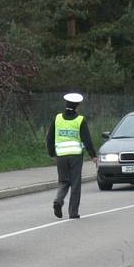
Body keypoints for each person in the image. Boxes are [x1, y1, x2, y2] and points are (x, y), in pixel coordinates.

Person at [45, 92, 98, 220]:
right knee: (75, 184)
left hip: (61, 156)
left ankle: (58, 200)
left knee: (63, 181)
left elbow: (49, 137)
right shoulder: (80, 120)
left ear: (66, 104)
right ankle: (73, 212)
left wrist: (52, 153)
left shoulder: (57, 118)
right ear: (77, 106)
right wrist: (93, 155)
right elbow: (87, 139)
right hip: (75, 156)